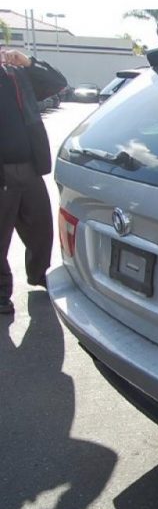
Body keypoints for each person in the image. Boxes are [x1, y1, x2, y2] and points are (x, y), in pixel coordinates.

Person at [0, 48, 67, 315]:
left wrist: (28, 62)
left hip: (29, 169)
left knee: (41, 228)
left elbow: (57, 83)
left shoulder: (17, 75)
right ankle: (1, 294)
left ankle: (39, 274)